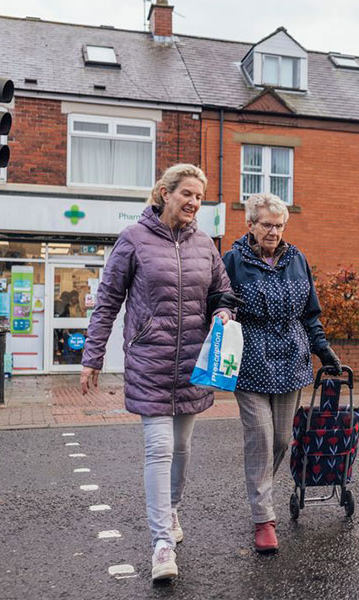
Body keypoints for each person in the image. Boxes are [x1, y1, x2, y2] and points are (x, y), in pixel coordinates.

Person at [80, 164, 237, 582]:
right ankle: (162, 544)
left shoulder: (204, 243)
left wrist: (222, 310)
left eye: (199, 197)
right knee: (159, 449)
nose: (193, 203)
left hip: (191, 364)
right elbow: (108, 300)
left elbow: (222, 291)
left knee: (182, 449)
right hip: (150, 360)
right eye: (186, 193)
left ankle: (171, 509)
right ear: (164, 193)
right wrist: (92, 355)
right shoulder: (133, 239)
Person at [222, 192, 342, 554]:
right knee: (260, 436)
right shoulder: (233, 260)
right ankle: (263, 519)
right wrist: (223, 313)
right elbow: (220, 299)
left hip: (292, 359)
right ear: (250, 224)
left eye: (279, 225)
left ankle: (262, 496)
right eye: (266, 225)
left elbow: (310, 314)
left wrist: (323, 350)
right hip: (251, 359)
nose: (273, 231)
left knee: (281, 442)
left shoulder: (297, 259)